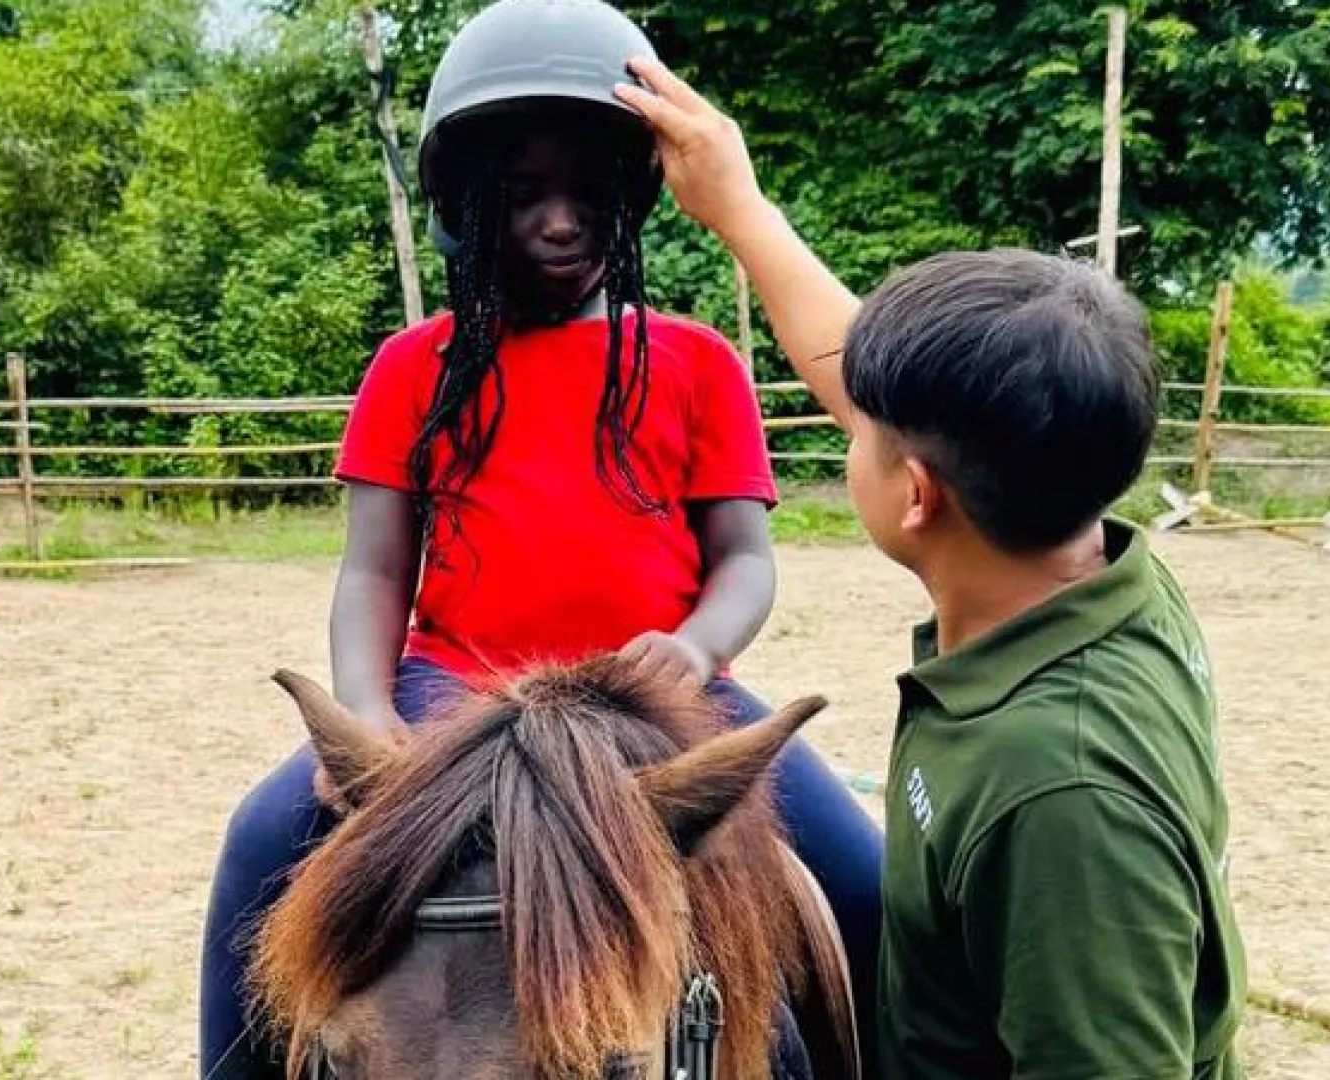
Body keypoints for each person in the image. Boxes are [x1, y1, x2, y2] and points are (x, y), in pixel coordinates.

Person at [197, 4, 884, 1077]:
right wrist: (366, 705)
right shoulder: (413, 370)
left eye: (587, 193)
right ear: (470, 203)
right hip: (450, 697)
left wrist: (698, 646)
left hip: (659, 701)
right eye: (524, 195)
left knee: (865, 881)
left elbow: (746, 560)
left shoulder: (698, 363)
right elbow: (373, 570)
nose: (562, 222)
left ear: (630, 197)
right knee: (260, 841)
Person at [616, 59, 1248, 1080]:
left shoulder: (1061, 795)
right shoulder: (1102, 569)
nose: (847, 422)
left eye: (861, 428)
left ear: (916, 493)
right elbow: (864, 367)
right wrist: (739, 210)